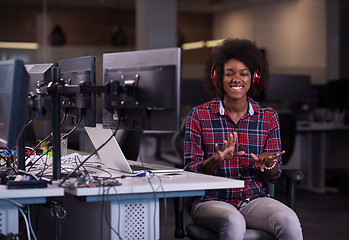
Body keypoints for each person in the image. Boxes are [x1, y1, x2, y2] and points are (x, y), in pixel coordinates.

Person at [183, 38, 303, 240]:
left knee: (289, 220)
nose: (236, 79)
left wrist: (270, 164)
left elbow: (274, 175)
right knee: (234, 222)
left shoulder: (268, 116)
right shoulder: (199, 115)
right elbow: (189, 171)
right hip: (210, 200)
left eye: (243, 73)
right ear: (218, 77)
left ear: (254, 78)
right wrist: (215, 160)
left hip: (254, 199)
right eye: (229, 73)